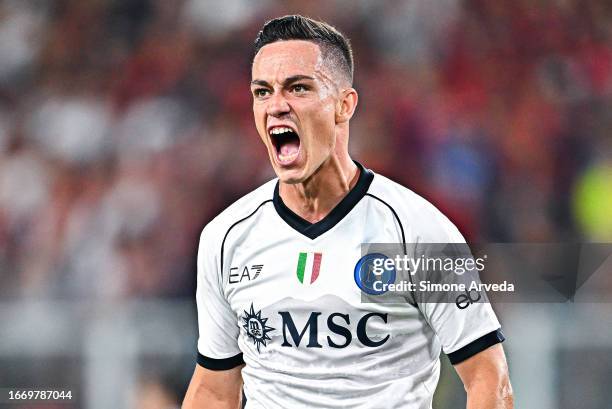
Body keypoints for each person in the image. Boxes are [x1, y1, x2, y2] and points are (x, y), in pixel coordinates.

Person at [183, 15, 513, 409]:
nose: (276, 106)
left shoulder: (420, 232)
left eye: (298, 88)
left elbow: (489, 379)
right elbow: (215, 390)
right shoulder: (226, 238)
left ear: (344, 105)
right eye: (262, 92)